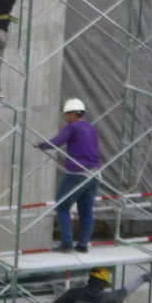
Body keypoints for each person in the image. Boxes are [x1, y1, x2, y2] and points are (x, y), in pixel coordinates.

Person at [36, 99, 100, 251]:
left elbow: (56, 142)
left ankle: (66, 244)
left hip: (76, 173)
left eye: (65, 114)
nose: (64, 118)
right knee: (86, 211)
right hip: (95, 174)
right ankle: (83, 245)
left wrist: (40, 145)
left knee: (62, 206)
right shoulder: (91, 128)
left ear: (72, 115)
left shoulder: (72, 127)